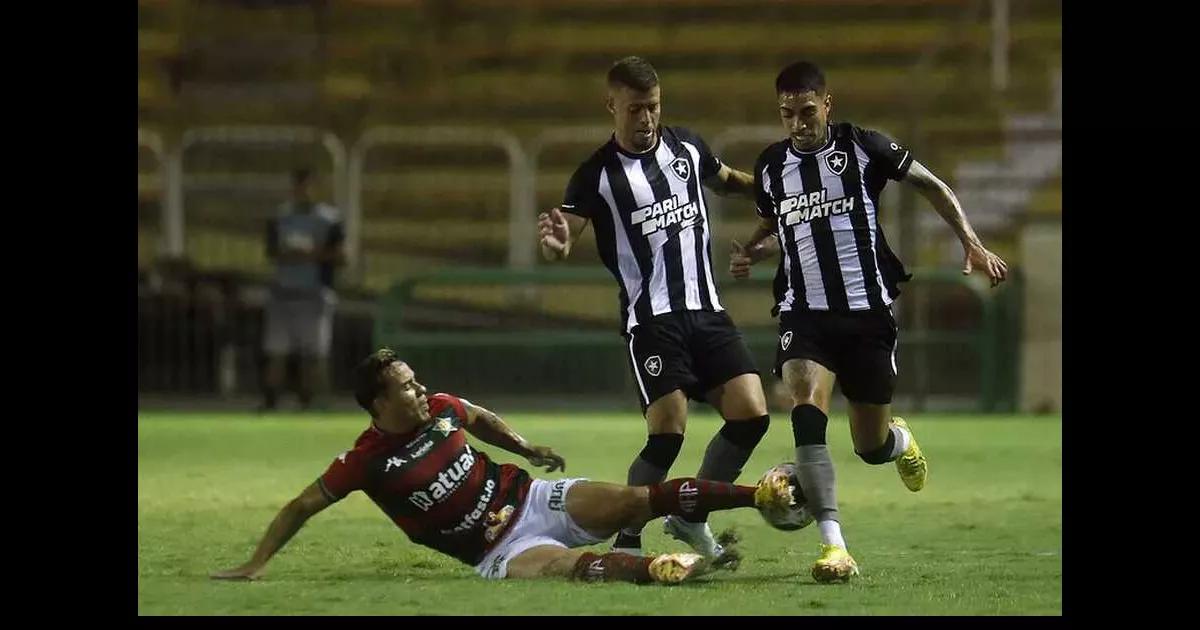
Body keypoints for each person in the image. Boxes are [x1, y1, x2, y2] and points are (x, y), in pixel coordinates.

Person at [729, 61, 1009, 583]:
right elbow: (780, 228)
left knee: (870, 446)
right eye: (787, 114)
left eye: (807, 111)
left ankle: (898, 442)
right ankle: (835, 547)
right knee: (805, 407)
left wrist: (969, 240)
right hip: (803, 312)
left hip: (868, 314)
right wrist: (752, 252)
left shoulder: (863, 146)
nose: (797, 123)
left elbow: (933, 185)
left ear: (827, 105)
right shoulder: (771, 166)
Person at [212, 349, 795, 584]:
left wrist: (526, 448)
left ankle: (760, 495)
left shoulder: (439, 409)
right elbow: (303, 504)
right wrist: (256, 562)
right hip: (498, 550)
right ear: (377, 405)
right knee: (567, 566)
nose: (420, 392)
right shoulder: (366, 462)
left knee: (634, 501)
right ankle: (667, 570)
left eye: (417, 382)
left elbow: (478, 416)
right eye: (406, 388)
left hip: (535, 499)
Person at [537, 56, 771, 562]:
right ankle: (627, 537)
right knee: (668, 431)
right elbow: (568, 232)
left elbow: (725, 177)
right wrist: (557, 244)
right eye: (636, 109)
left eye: (654, 107)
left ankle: (690, 517)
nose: (646, 119)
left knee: (752, 414)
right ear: (612, 106)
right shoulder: (595, 175)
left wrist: (773, 186)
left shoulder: (686, 146)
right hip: (652, 320)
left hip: (707, 311)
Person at [260, 167, 345, 412]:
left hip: (315, 294)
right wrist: (289, 255)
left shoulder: (329, 219)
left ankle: (313, 402)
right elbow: (271, 251)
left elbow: (340, 255)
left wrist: (312, 254)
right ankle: (271, 401)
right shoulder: (280, 217)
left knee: (315, 353)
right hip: (283, 293)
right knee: (276, 351)